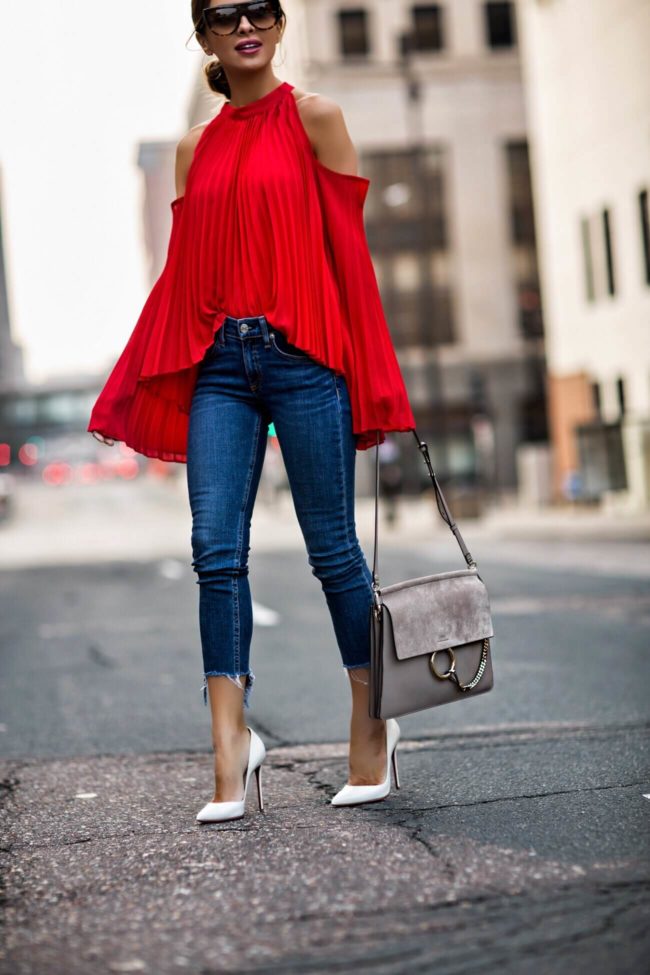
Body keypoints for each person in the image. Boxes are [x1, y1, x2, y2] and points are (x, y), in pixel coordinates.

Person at [87, 0, 415, 822]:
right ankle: (230, 746)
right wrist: (150, 364)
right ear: (203, 36)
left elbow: (351, 261)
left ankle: (372, 723)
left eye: (259, 10)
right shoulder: (196, 147)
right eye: (224, 16)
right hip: (221, 366)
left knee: (333, 550)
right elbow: (185, 272)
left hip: (306, 358)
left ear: (276, 24)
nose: (245, 25)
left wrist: (371, 372)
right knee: (213, 549)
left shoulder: (318, 121)